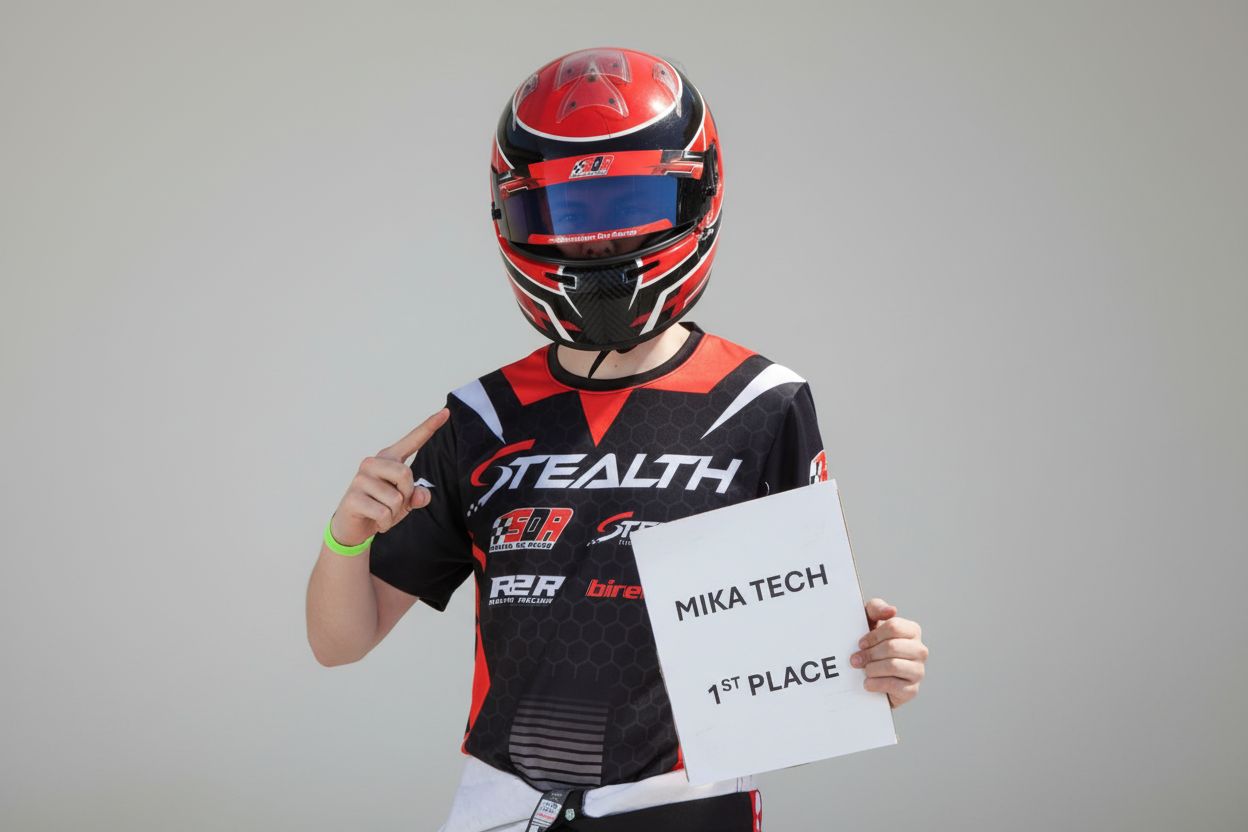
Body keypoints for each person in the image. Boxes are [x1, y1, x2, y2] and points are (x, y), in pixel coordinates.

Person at [306, 47, 928, 832]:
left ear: (694, 195)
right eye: (566, 217)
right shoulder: (483, 417)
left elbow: (809, 657)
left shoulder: (762, 404)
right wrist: (345, 534)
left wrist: (880, 662)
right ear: (513, 218)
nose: (597, 245)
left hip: (684, 804)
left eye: (625, 205)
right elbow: (339, 642)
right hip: (504, 805)